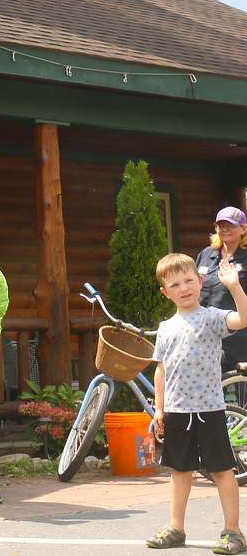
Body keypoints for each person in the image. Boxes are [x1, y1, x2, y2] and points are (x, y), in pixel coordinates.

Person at [147, 253, 245, 553]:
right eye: (175, 284)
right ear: (165, 292)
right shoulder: (165, 328)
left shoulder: (213, 317)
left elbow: (243, 319)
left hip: (210, 410)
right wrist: (159, 408)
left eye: (189, 280)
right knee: (179, 471)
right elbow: (160, 369)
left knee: (221, 470)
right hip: (177, 411)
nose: (184, 287)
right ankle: (176, 528)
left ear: (201, 282)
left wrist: (234, 287)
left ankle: (233, 531)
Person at [196, 206, 247, 374]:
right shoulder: (206, 254)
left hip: (237, 338)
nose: (224, 229)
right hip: (205, 335)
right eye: (220, 225)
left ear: (243, 229)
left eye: (230, 225)